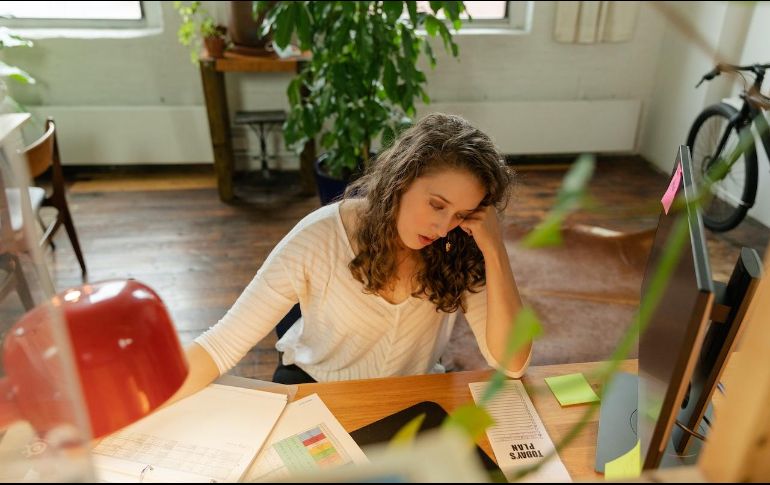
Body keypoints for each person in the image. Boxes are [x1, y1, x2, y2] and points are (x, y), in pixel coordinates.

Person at [175, 113, 531, 397]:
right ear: (401, 180)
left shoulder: (457, 244)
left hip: (409, 397)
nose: (442, 227)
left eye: (460, 214)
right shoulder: (319, 236)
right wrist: (140, 407)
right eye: (436, 204)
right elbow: (221, 344)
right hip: (314, 386)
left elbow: (511, 364)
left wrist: (495, 250)